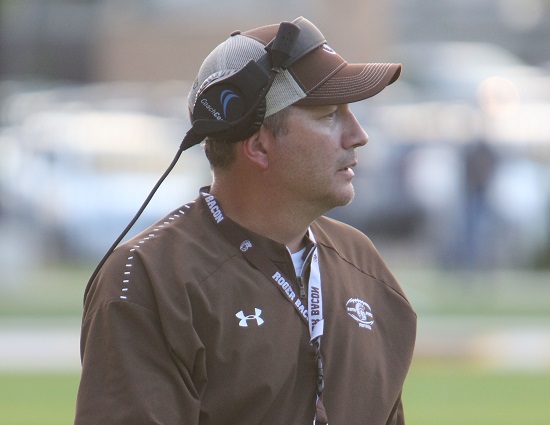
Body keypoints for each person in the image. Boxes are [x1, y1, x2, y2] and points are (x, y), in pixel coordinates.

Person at [75, 16, 416, 425]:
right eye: (328, 115)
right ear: (258, 145)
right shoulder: (152, 276)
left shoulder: (363, 264)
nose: (358, 134)